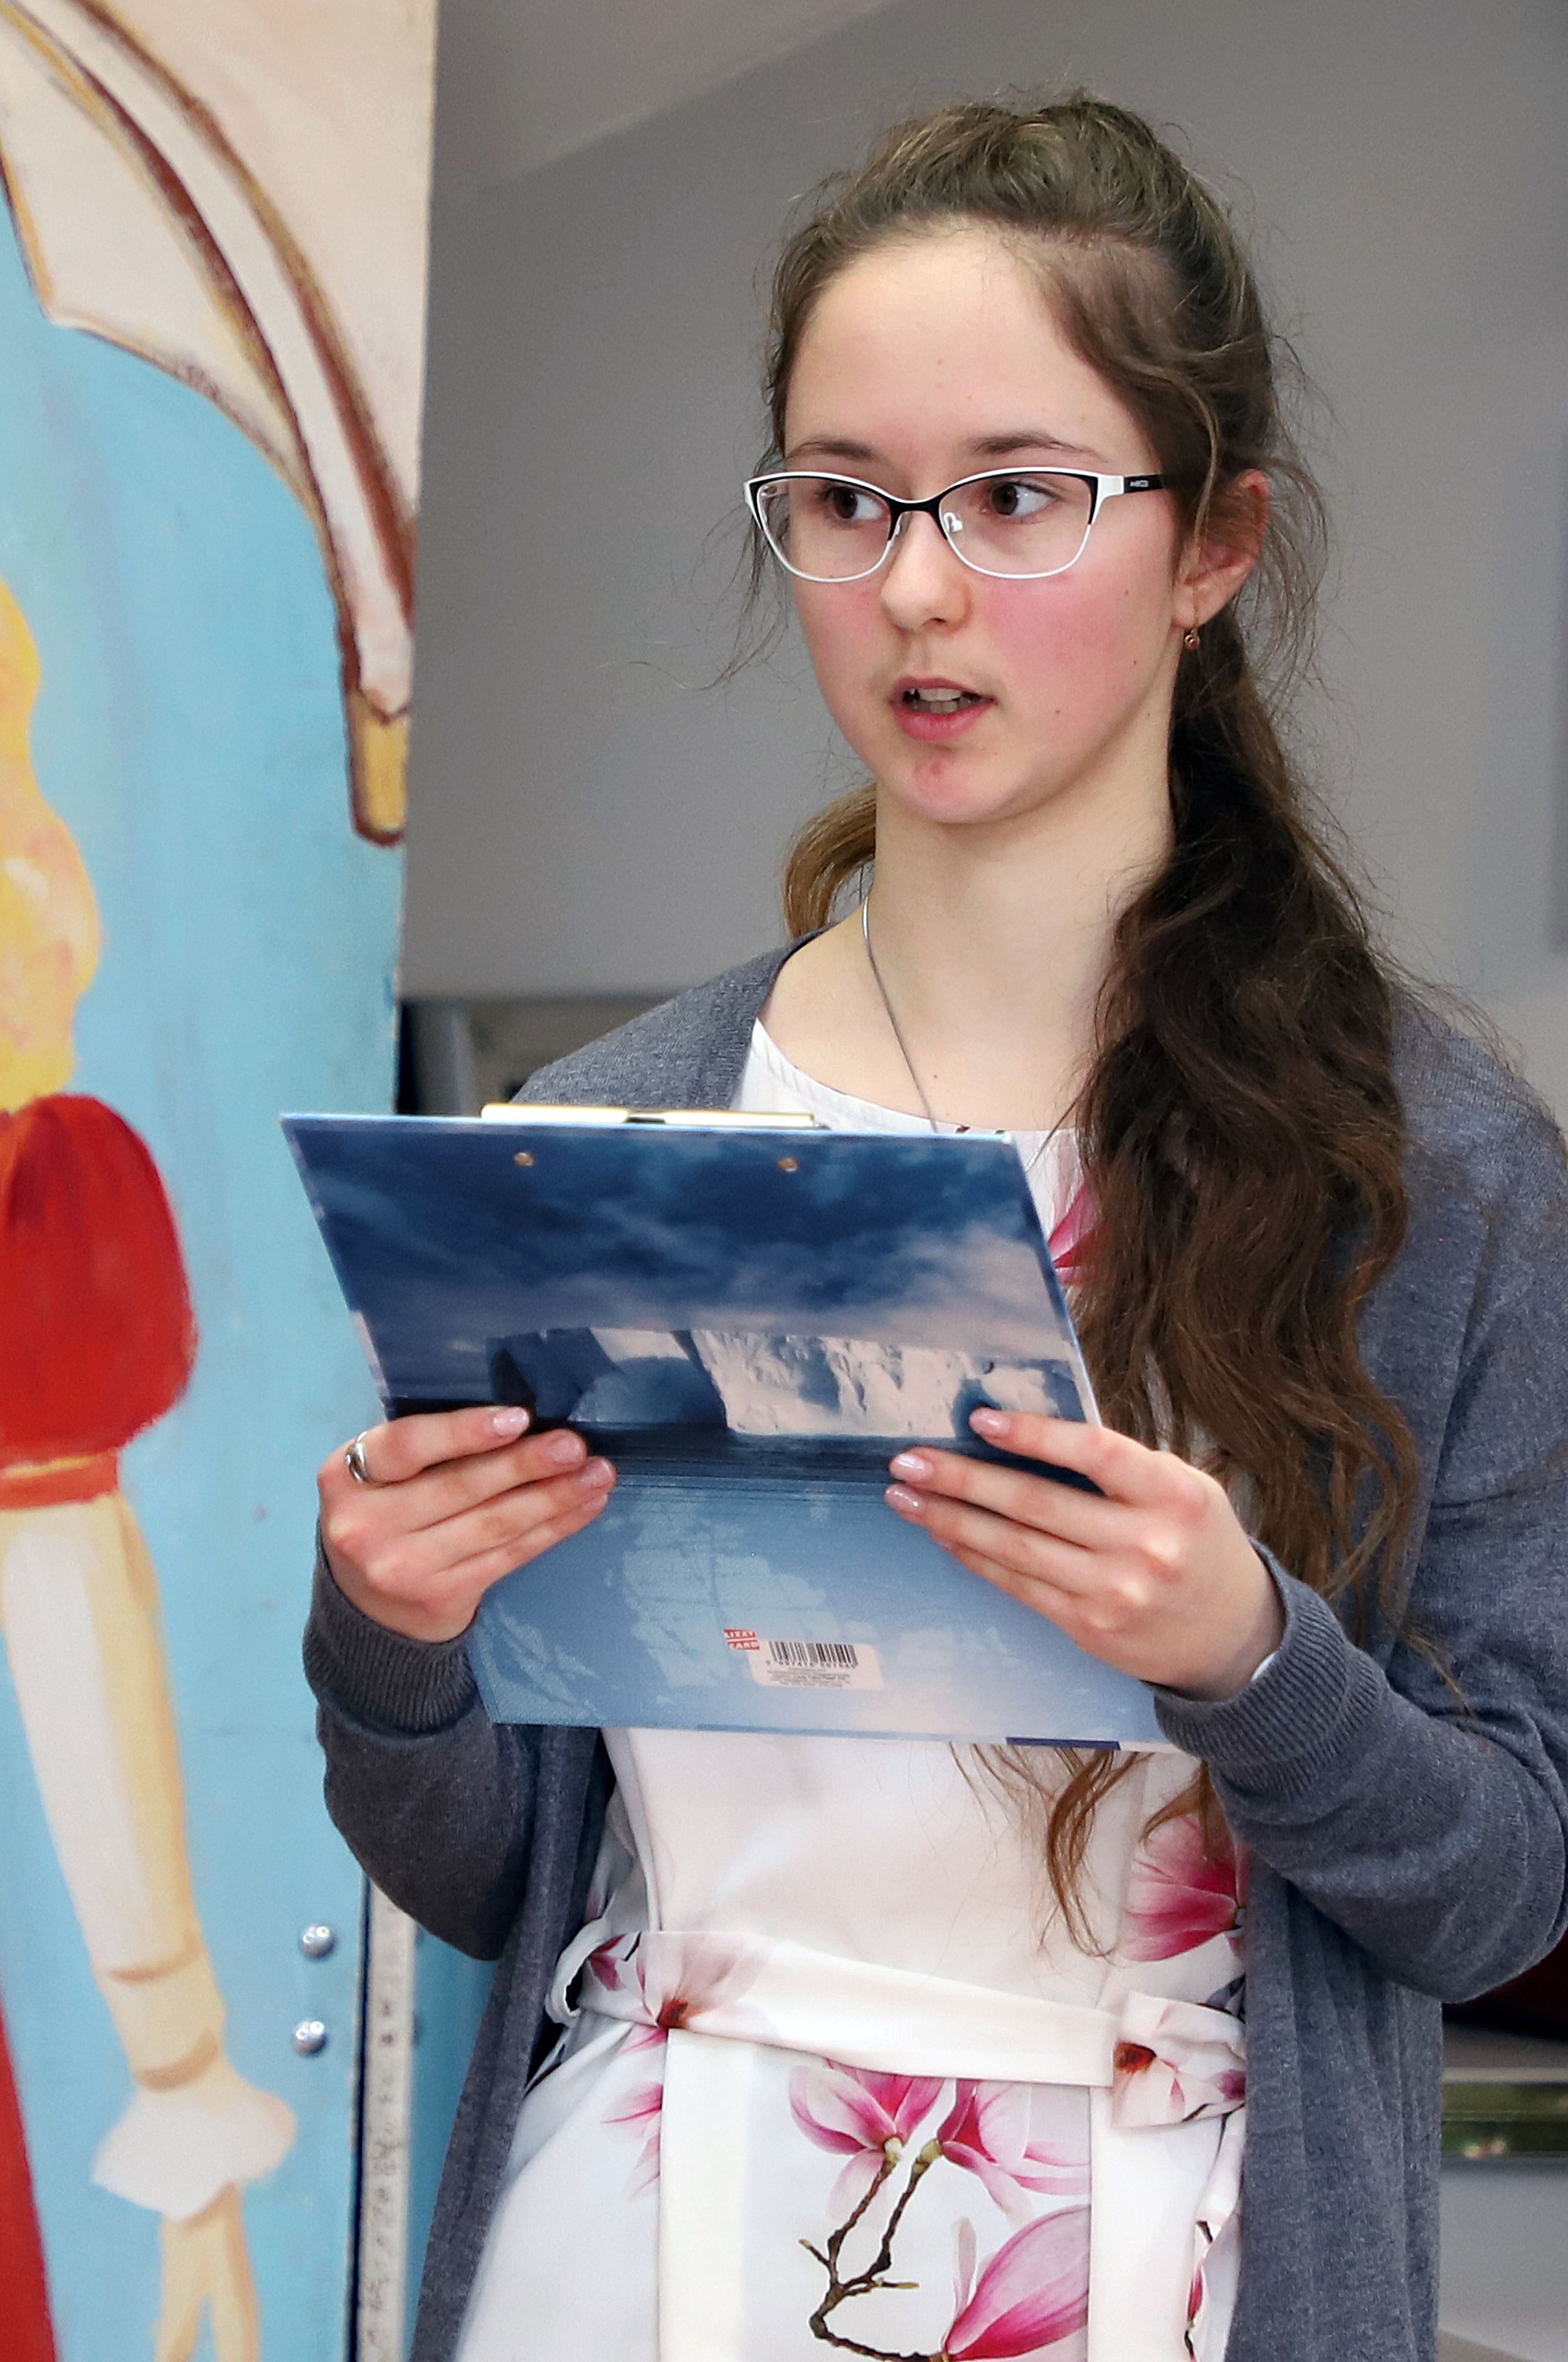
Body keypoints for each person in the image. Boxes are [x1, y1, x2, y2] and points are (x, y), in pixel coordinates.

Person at [303, 94, 1568, 2362]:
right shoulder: (614, 1133)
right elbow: (494, 1875)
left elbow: (1497, 1892)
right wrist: (390, 1637)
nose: (913, 587)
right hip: (631, 2243)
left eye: (1016, 496)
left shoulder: (1430, 1171)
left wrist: (1247, 1658)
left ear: (1213, 542)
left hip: (1156, 2265)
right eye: (844, 499)